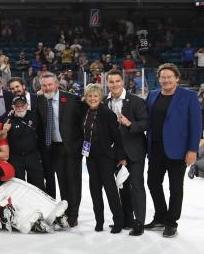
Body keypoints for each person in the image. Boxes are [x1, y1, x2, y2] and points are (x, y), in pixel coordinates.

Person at [145, 63, 202, 238]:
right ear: (159, 79)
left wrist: (192, 149)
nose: (166, 80)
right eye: (163, 77)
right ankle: (161, 217)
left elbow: (196, 125)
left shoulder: (189, 96)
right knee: (153, 183)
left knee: (175, 187)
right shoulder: (153, 95)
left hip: (179, 150)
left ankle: (171, 222)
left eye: (170, 77)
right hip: (155, 148)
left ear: (177, 78)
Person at [36, 72, 83, 227]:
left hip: (71, 147)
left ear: (57, 84)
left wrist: (80, 145)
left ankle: (73, 215)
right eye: (44, 85)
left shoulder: (71, 99)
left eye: (50, 84)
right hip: (53, 148)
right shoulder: (40, 100)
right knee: (62, 181)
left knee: (73, 181)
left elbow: (81, 122)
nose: (47, 88)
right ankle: (65, 211)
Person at [105, 69, 148, 236]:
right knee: (122, 186)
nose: (114, 84)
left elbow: (145, 124)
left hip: (134, 151)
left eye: (117, 81)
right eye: (111, 82)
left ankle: (139, 222)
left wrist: (130, 124)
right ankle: (127, 219)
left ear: (122, 82)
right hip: (115, 152)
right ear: (107, 83)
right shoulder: (104, 101)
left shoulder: (136, 101)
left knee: (136, 186)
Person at [82, 84, 127, 234]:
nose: (92, 98)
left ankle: (118, 221)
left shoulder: (107, 113)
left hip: (106, 157)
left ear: (100, 97)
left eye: (95, 96)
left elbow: (117, 137)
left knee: (110, 190)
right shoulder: (85, 111)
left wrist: (121, 157)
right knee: (94, 190)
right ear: (86, 97)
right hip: (91, 158)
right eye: (90, 96)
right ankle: (99, 221)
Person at [4, 96, 44, 190]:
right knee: (18, 186)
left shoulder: (35, 116)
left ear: (27, 105)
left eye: (22, 105)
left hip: (32, 156)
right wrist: (5, 130)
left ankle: (38, 204)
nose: (20, 108)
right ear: (13, 107)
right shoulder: (8, 118)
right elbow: (1, 136)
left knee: (38, 186)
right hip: (15, 158)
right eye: (17, 106)